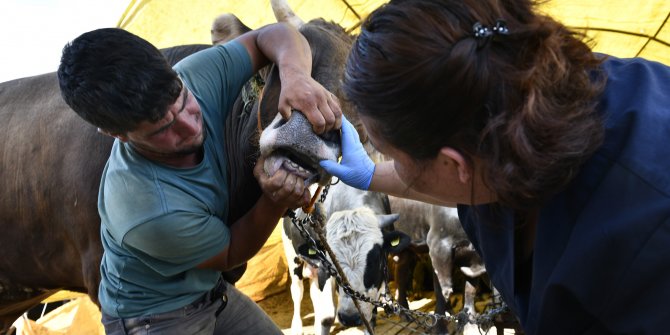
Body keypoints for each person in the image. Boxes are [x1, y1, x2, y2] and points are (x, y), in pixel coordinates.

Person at [319, 0, 670, 334]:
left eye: (389, 156)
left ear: (455, 163)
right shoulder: (515, 91)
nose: (387, 164)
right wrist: (371, 176)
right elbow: (465, 180)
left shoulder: (642, 251)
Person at [58, 24, 341, 334]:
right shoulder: (146, 209)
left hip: (210, 293)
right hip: (155, 318)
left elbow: (271, 36)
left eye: (182, 100)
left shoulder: (190, 77)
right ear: (116, 135)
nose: (190, 126)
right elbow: (232, 252)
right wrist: (275, 200)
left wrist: (295, 75)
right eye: (161, 130)